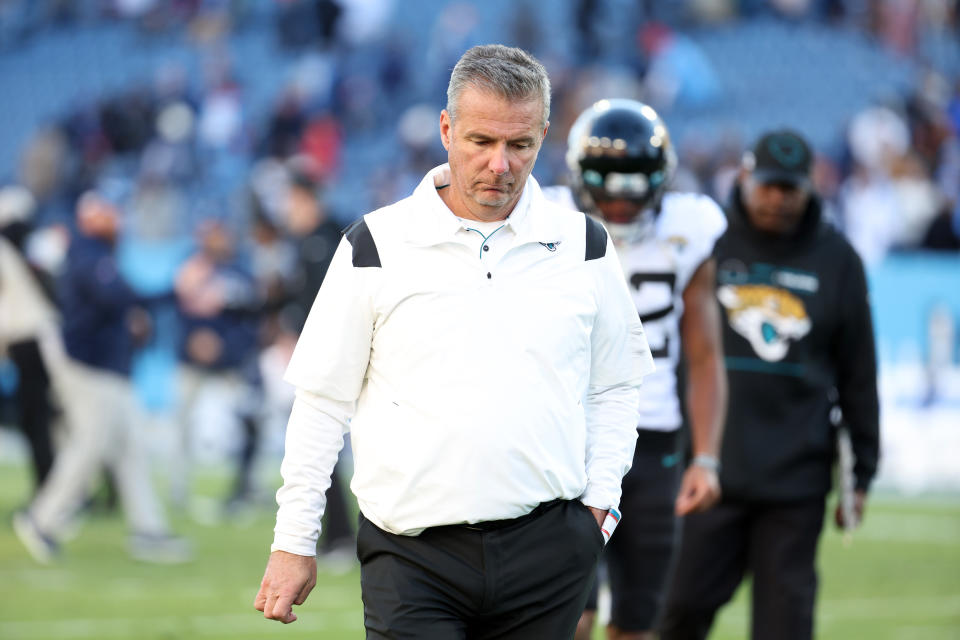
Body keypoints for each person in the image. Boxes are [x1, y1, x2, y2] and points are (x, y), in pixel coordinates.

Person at [254, 44, 655, 638]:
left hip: (549, 552)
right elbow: (321, 401)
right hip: (411, 558)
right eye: (481, 142)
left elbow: (616, 383)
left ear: (543, 136)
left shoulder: (585, 244)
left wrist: (599, 506)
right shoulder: (374, 245)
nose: (500, 164)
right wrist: (293, 540)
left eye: (520, 145)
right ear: (446, 130)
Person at [659, 130, 881, 640]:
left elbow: (859, 376)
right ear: (744, 177)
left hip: (795, 482)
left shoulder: (838, 260)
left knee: (785, 627)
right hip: (708, 472)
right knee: (675, 612)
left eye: (791, 189)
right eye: (768, 186)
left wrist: (862, 473)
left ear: (810, 188)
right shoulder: (706, 241)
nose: (778, 199)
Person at [545, 99, 728, 640]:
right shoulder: (547, 220)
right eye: (607, 186)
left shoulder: (691, 228)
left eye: (634, 187)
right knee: (566, 614)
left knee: (639, 619)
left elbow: (704, 354)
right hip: (568, 434)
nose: (621, 205)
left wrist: (708, 458)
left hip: (653, 439)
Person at [13, 190, 191, 565]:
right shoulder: (87, 252)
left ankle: (148, 530)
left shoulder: (98, 253)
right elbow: (119, 297)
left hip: (109, 368)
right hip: (88, 366)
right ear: (91, 217)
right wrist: (174, 292)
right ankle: (40, 518)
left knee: (131, 449)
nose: (118, 221)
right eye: (109, 214)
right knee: (90, 445)